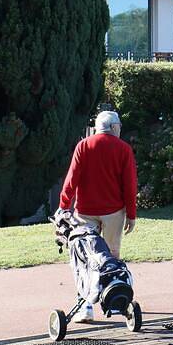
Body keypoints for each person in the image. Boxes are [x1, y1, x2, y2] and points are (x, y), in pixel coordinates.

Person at [59, 110, 138, 322]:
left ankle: (85, 306)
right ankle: (114, 300)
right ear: (113, 127)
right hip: (113, 212)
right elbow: (129, 185)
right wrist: (131, 214)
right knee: (111, 258)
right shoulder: (123, 149)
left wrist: (64, 206)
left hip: (85, 211)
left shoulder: (83, 146)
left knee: (86, 258)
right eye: (119, 125)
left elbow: (71, 179)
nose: (120, 129)